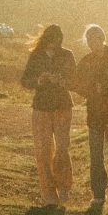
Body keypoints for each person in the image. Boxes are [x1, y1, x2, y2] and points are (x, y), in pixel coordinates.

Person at [20, 22, 77, 205]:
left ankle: (64, 186)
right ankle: (48, 193)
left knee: (62, 148)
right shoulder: (35, 56)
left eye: (58, 40)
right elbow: (25, 81)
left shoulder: (67, 55)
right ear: (46, 39)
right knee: (43, 152)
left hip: (62, 106)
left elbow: (75, 81)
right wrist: (40, 80)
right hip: (41, 108)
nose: (54, 43)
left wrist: (63, 81)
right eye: (52, 39)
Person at [75, 22, 108, 202]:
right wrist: (92, 90)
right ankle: (99, 194)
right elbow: (78, 85)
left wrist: (105, 88)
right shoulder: (86, 62)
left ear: (102, 39)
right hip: (96, 114)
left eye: (96, 39)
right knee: (96, 156)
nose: (93, 43)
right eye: (90, 40)